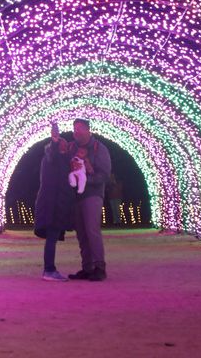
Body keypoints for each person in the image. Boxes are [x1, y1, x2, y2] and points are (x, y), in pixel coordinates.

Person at [66, 118, 112, 282]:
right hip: (76, 195)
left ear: (87, 130)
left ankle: (99, 267)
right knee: (81, 232)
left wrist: (86, 182)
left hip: (92, 194)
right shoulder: (72, 148)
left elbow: (105, 174)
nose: (75, 132)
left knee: (92, 230)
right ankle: (87, 267)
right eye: (74, 129)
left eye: (79, 129)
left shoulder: (99, 148)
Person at [34, 122, 75, 282]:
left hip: (56, 204)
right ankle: (49, 270)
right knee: (52, 237)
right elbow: (53, 152)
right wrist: (55, 139)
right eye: (63, 145)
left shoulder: (59, 162)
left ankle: (49, 269)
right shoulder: (52, 158)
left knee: (53, 236)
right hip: (52, 205)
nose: (66, 147)